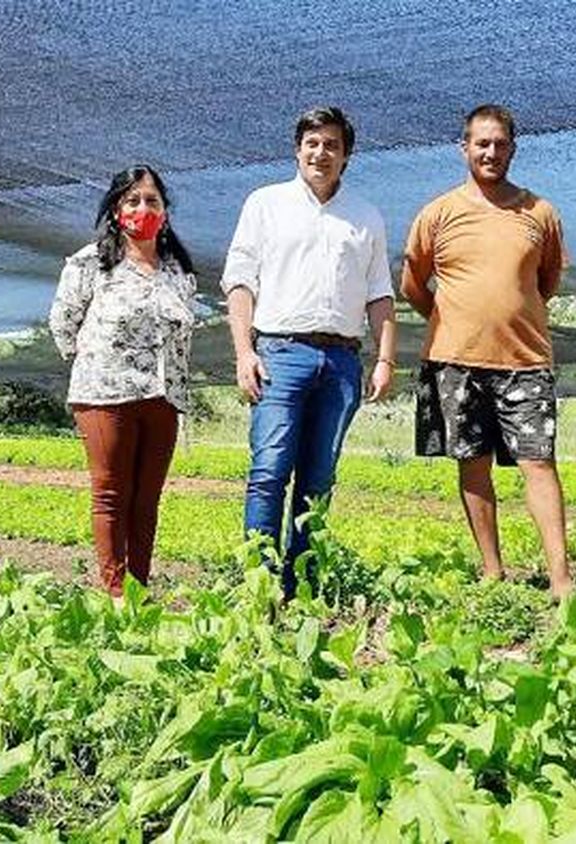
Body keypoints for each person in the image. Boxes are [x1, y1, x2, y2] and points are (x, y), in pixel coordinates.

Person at [400, 103, 576, 599]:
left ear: (513, 149)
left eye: (500, 144)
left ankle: (562, 579)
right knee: (471, 462)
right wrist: (454, 316)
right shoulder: (437, 213)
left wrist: (507, 311)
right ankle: (492, 570)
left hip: (525, 360)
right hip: (455, 359)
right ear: (464, 148)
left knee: (538, 462)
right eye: (482, 143)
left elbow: (545, 282)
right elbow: (413, 284)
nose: (491, 152)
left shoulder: (539, 213)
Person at [221, 105, 397, 599]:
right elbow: (239, 281)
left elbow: (380, 292)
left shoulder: (364, 216)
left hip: (341, 361)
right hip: (280, 353)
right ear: (298, 149)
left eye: (332, 146)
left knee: (318, 479)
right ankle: (259, 584)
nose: (321, 153)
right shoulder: (265, 204)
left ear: (347, 156)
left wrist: (384, 359)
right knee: (270, 470)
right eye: (312, 144)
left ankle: (305, 588)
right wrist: (244, 353)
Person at [49, 165, 197, 599]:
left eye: (152, 200)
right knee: (112, 493)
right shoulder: (91, 262)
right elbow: (63, 321)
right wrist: (95, 362)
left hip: (162, 398)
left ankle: (139, 588)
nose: (143, 208)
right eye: (133, 200)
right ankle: (114, 592)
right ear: (116, 210)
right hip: (104, 394)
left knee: (146, 498)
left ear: (165, 212)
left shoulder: (177, 271)